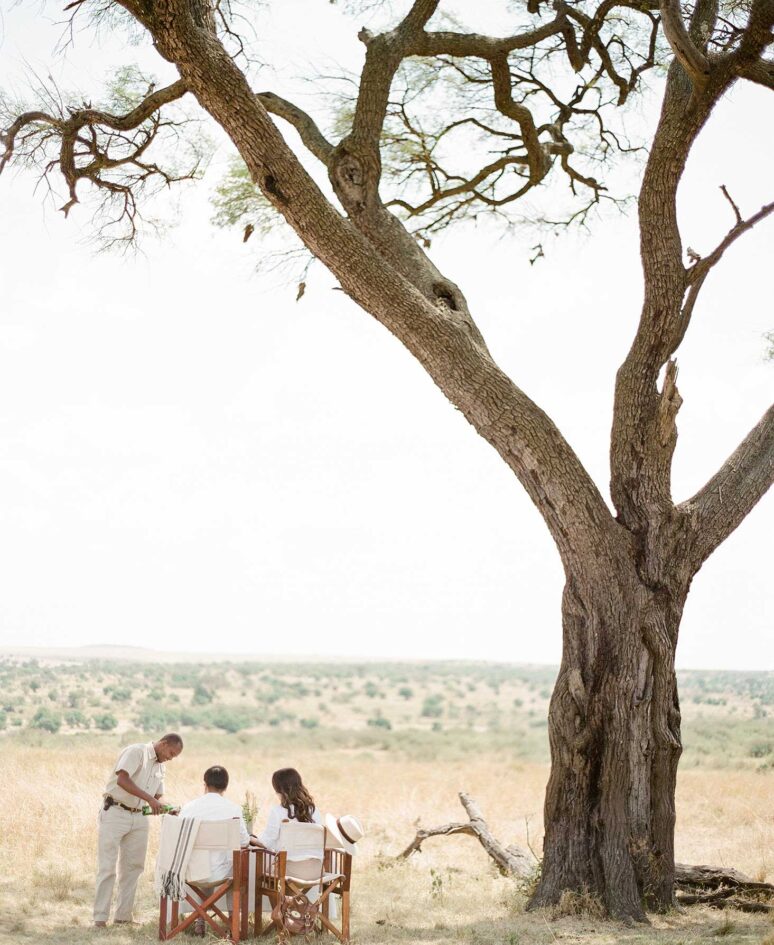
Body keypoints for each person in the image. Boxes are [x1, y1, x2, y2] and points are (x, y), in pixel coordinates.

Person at [93, 733, 183, 928]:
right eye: (171, 752)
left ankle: (123, 917)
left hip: (140, 817)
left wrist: (171, 808)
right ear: (163, 743)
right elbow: (122, 780)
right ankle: (100, 918)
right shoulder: (136, 751)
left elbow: (159, 796)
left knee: (133, 867)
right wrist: (150, 800)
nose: (171, 757)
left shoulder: (161, 767)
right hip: (115, 811)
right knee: (107, 866)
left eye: (174, 756)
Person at [178, 765, 250, 881]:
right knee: (243, 868)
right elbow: (244, 842)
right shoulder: (233, 809)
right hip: (219, 873)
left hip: (191, 871)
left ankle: (202, 899)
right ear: (225, 787)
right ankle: (229, 899)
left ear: (205, 784)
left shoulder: (188, 807)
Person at [251, 767, 321, 850]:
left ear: (278, 790)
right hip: (315, 861)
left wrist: (251, 839)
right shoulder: (313, 810)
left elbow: (267, 842)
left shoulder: (277, 811)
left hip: (287, 862)